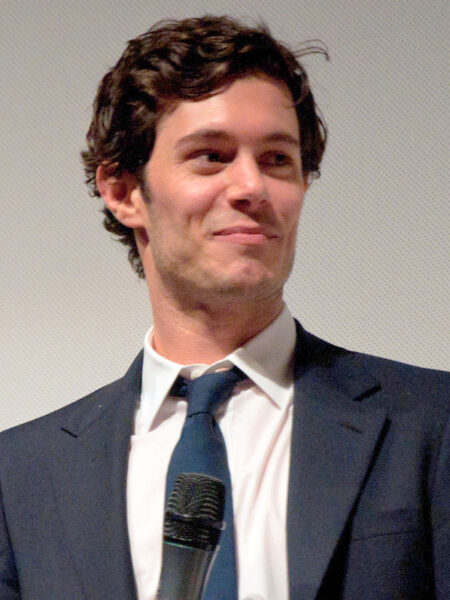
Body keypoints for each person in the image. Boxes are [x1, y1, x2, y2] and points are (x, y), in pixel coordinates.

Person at [0, 15, 448, 600]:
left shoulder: (432, 423)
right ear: (123, 191)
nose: (252, 187)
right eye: (211, 156)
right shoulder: (22, 475)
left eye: (277, 160)